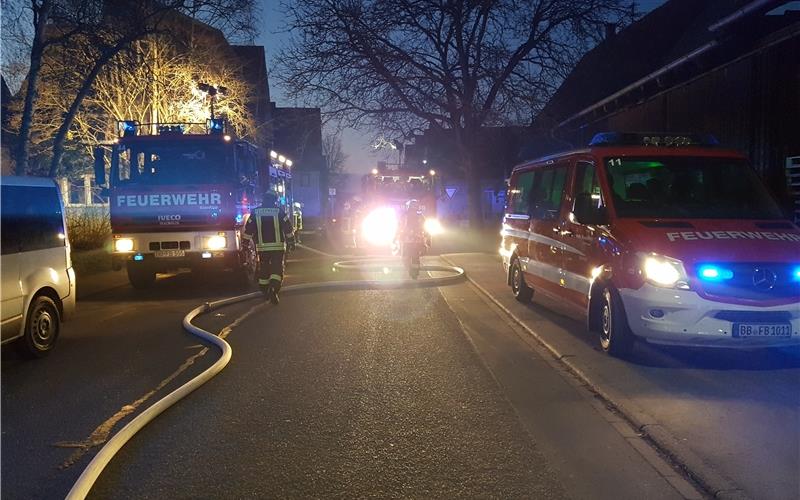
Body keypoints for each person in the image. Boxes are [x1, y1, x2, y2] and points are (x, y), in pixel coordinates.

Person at [243, 191, 295, 304]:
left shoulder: (255, 212)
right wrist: (291, 242)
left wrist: (245, 244)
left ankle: (264, 290)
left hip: (262, 248)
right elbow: (288, 229)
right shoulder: (279, 212)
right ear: (274, 199)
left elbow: (248, 230)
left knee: (264, 268)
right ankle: (273, 289)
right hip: (278, 247)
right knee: (277, 268)